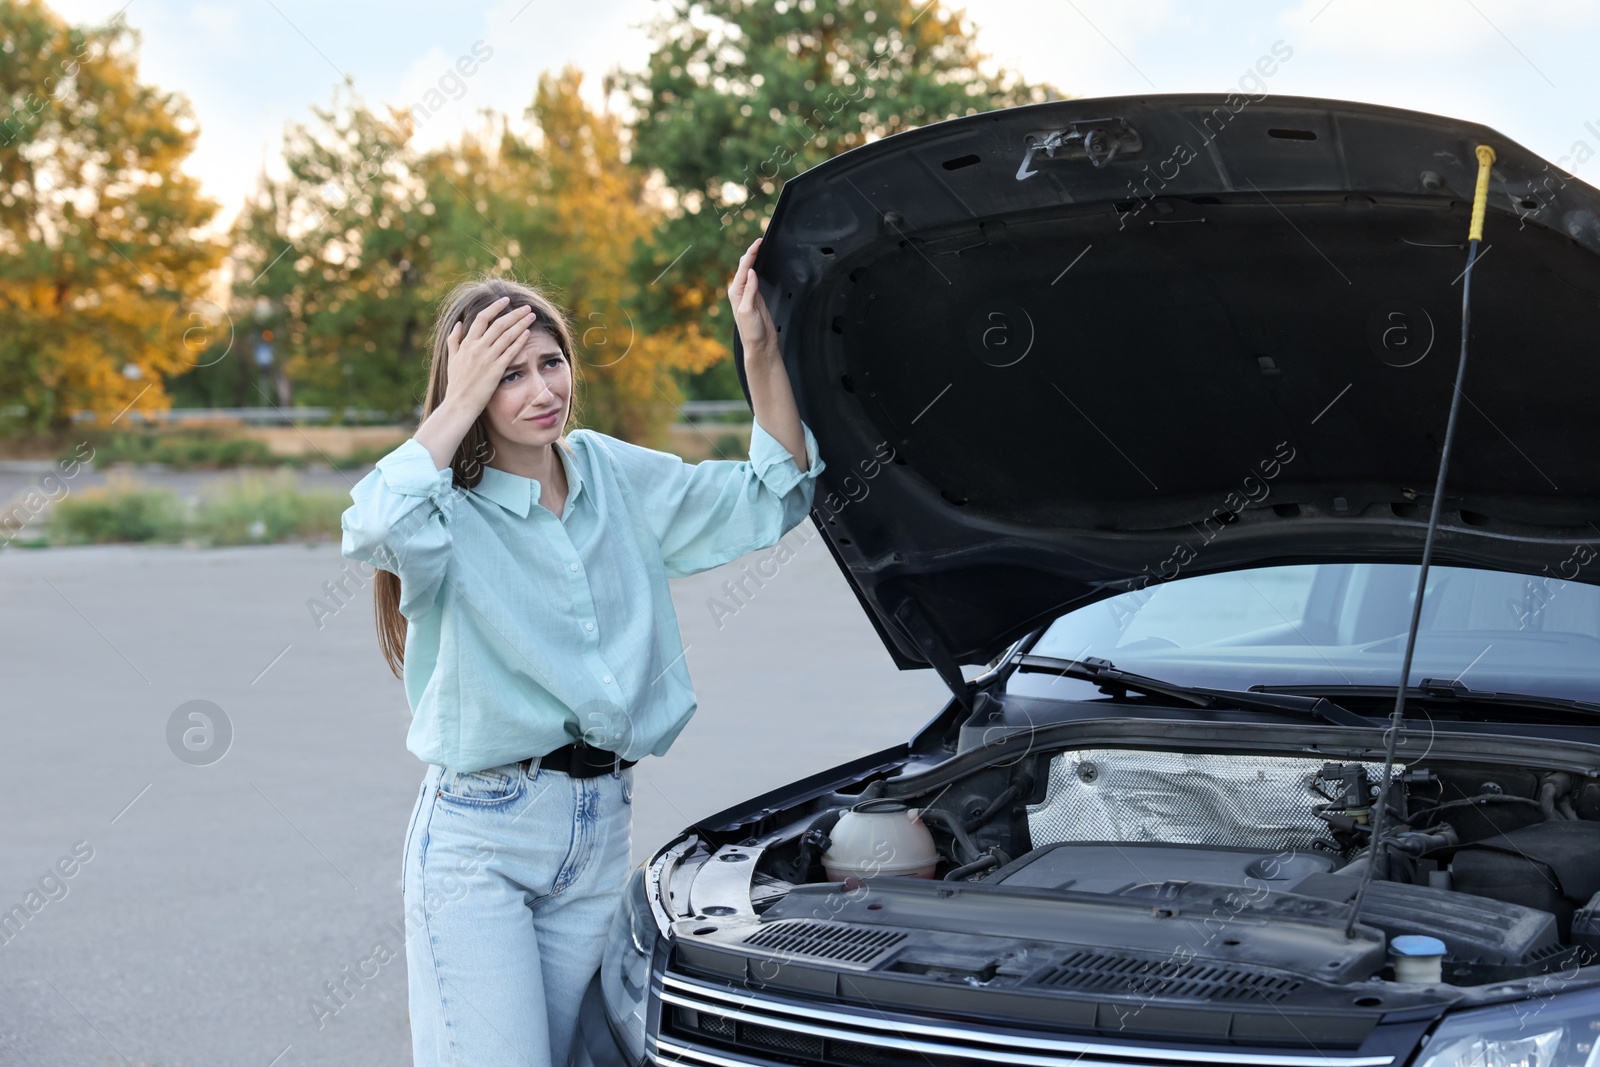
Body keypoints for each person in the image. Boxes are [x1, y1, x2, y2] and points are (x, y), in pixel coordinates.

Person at [339, 238, 824, 1067]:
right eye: (507, 373)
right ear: (467, 391)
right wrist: (453, 404)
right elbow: (374, 526)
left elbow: (772, 495)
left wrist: (760, 350)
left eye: (549, 362)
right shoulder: (442, 515)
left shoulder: (611, 473)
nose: (541, 389)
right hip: (480, 838)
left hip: (599, 831)